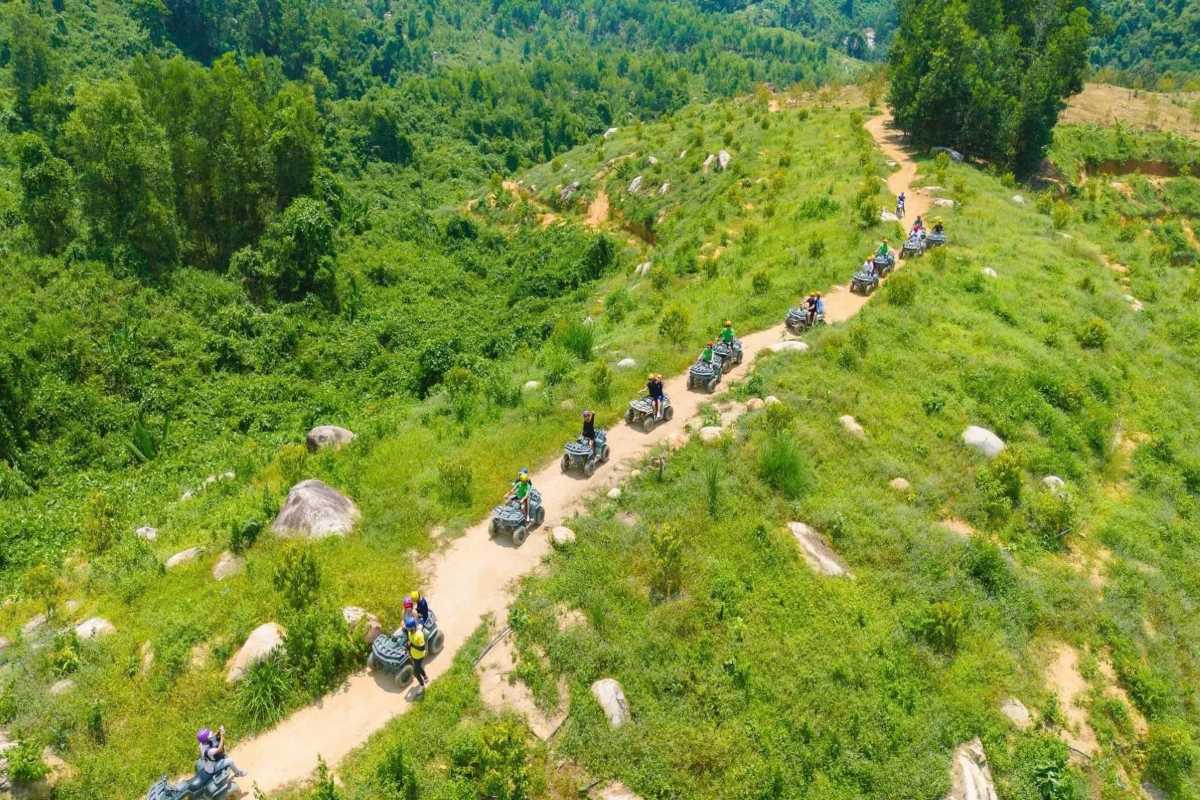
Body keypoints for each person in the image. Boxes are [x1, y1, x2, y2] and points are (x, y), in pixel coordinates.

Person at [405, 617, 428, 692]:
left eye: (409, 629)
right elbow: (410, 641)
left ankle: (422, 686)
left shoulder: (419, 635)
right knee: (419, 667)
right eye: (408, 629)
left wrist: (412, 645)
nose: (408, 630)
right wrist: (408, 646)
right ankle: (425, 677)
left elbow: (422, 648)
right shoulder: (409, 632)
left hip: (420, 656)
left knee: (415, 672)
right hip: (414, 654)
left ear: (414, 627)